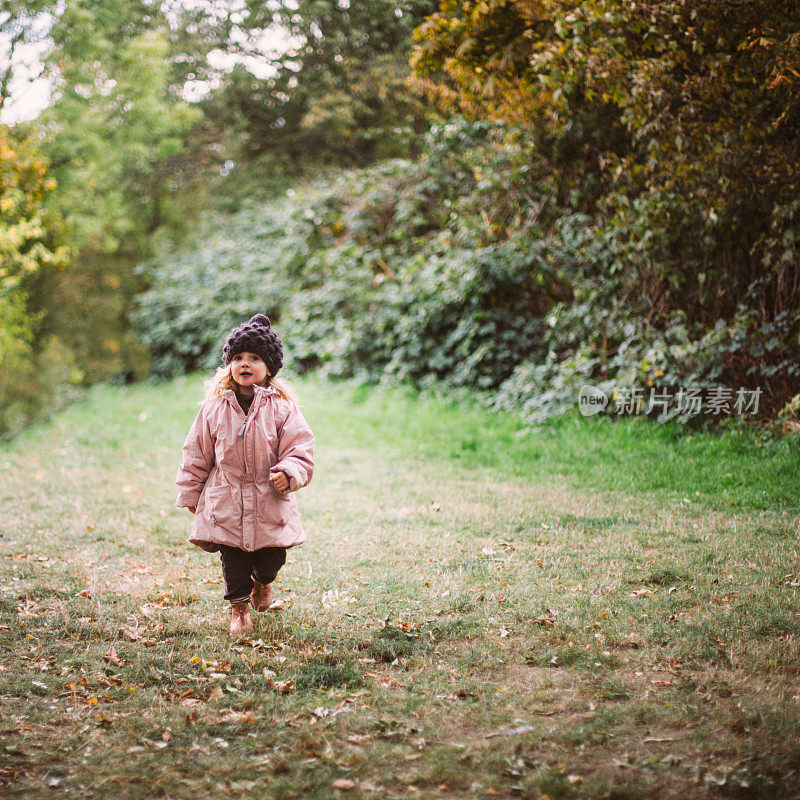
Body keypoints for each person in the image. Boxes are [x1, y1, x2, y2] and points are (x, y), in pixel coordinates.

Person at [176, 314, 315, 636]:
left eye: (254, 357)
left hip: (270, 499)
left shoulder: (283, 409)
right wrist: (190, 493)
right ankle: (239, 609)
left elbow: (300, 449)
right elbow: (196, 453)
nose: (245, 363)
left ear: (269, 368)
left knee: (272, 557)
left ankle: (263, 583)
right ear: (228, 365)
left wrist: (289, 472)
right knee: (233, 559)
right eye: (237, 357)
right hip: (225, 498)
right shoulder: (213, 409)